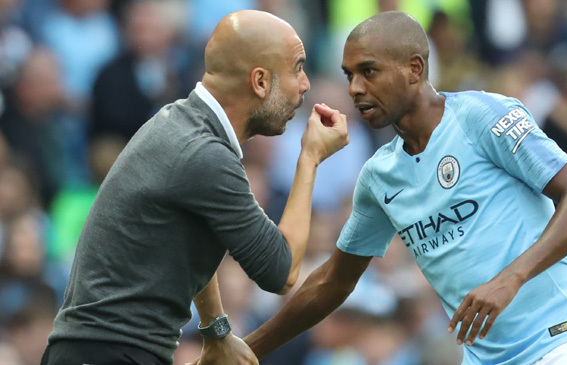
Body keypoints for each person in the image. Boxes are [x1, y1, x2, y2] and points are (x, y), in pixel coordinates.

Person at [244, 11, 567, 364]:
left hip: (563, 342)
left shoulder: (483, 117)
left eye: (368, 71)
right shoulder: (379, 176)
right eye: (349, 76)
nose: (355, 89)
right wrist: (247, 350)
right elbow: (333, 281)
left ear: (414, 69)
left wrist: (510, 278)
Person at [40, 10, 349, 365]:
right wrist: (309, 159)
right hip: (108, 354)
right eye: (297, 67)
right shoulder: (204, 156)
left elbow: (195, 231)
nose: (306, 84)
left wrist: (216, 330)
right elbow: (281, 271)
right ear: (260, 82)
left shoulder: (180, 124)